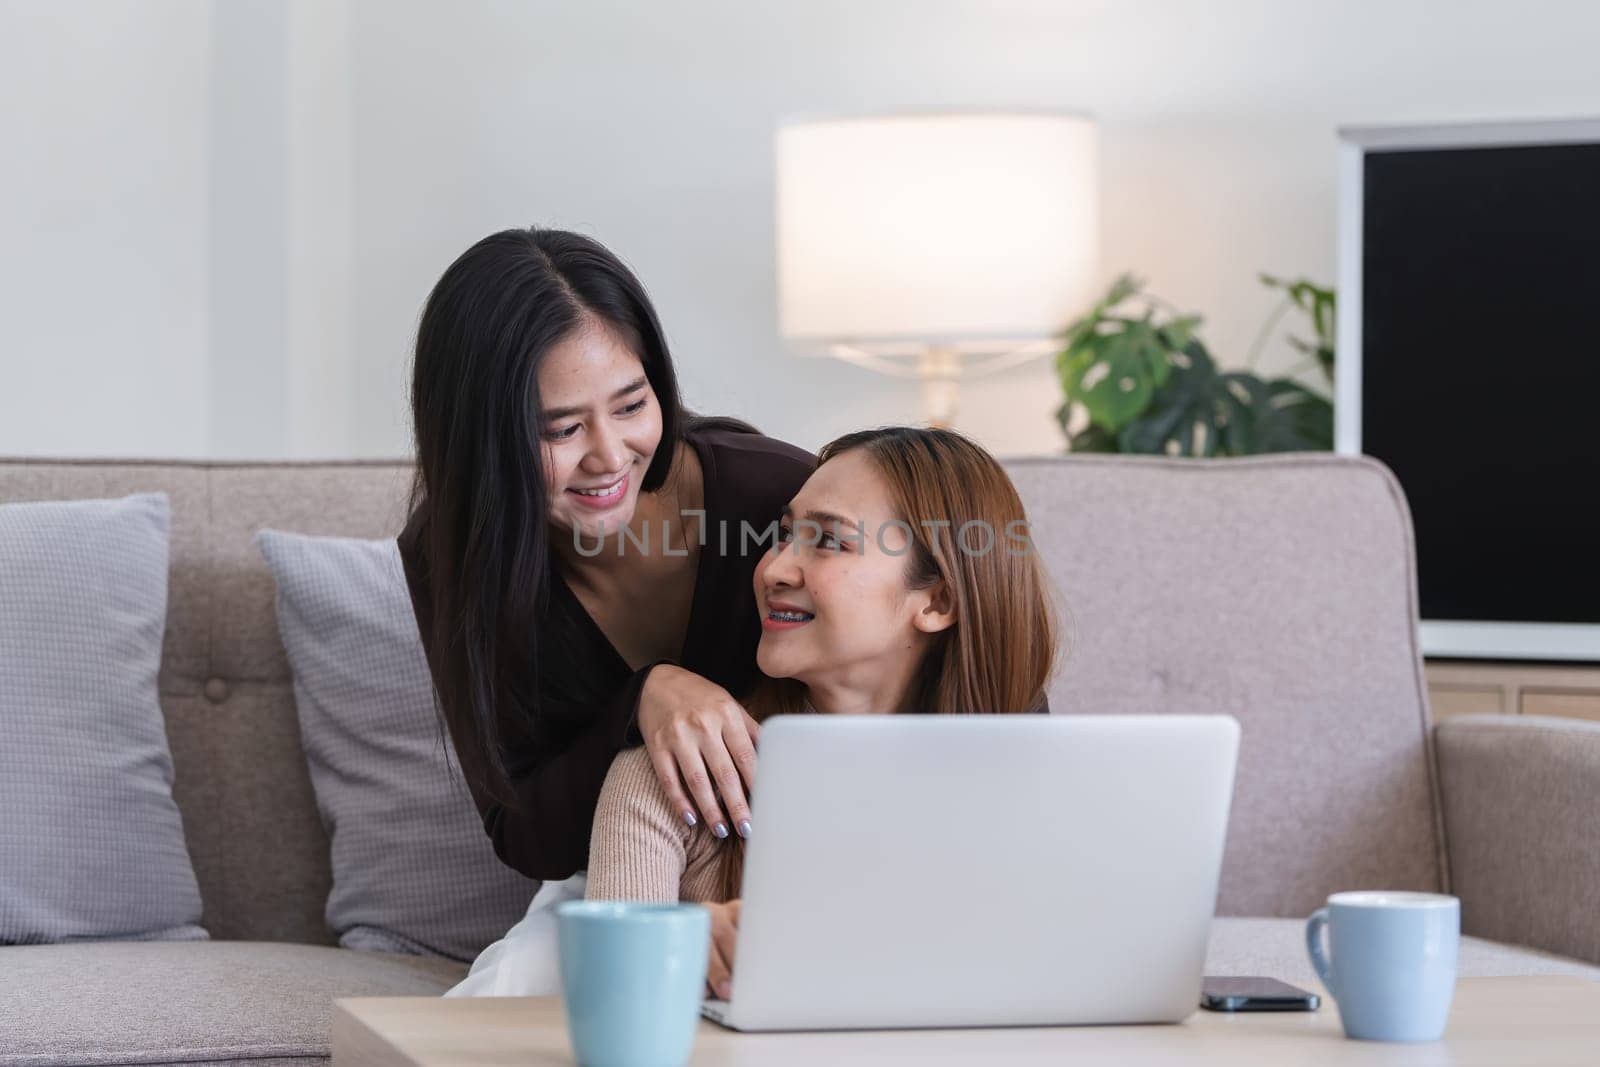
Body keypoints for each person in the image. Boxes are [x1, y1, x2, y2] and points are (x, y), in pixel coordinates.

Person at [398, 227, 814, 885]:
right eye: (562, 428)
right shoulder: (449, 551)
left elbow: (967, 665)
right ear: (483, 439)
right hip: (625, 877)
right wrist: (639, 703)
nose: (611, 455)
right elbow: (522, 831)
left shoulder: (775, 497)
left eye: (631, 405)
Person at [584, 426, 1059, 998]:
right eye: (783, 536)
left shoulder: (1033, 786)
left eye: (830, 542)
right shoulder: (672, 781)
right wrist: (677, 956)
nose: (774, 570)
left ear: (937, 600)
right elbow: (614, 1006)